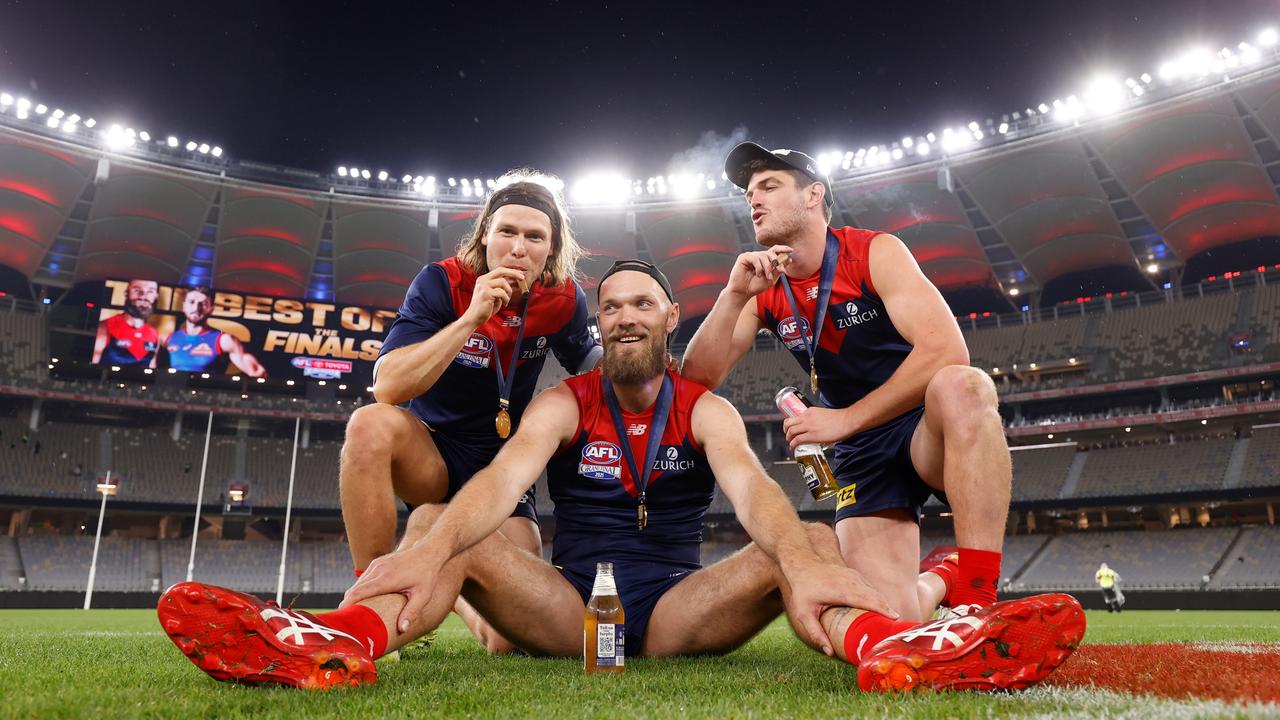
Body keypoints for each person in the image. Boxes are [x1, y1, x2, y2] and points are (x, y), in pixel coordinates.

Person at [157, 261, 1085, 693]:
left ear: (671, 315)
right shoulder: (570, 399)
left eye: (643, 303)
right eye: (612, 307)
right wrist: (434, 539)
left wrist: (807, 558)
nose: (627, 317)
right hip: (570, 611)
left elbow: (754, 493)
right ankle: (338, 641)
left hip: (679, 610)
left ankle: (889, 650)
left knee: (791, 541)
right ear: (600, 323)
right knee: (451, 524)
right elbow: (507, 473)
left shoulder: (703, 405)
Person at [680, 143, 1012, 623]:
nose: (754, 200)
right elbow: (695, 379)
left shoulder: (873, 251)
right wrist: (732, 297)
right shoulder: (764, 285)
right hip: (860, 451)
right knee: (893, 620)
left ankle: (978, 602)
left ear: (813, 194)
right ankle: (944, 576)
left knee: (964, 385)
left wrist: (845, 420)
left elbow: (946, 350)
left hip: (922, 428)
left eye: (769, 186)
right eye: (750, 193)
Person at [340, 170, 601, 653]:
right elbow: (388, 388)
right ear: (485, 235)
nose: (519, 247)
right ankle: (370, 598)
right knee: (369, 425)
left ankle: (447, 579)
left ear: (552, 249)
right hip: (432, 456)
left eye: (534, 237)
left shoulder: (563, 299)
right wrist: (471, 319)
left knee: (507, 641)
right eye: (507, 232)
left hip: (500, 471)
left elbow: (596, 370)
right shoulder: (443, 282)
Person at [160, 286, 267, 377]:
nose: (197, 307)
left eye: (203, 304)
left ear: (211, 309)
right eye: (192, 302)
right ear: (184, 306)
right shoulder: (168, 339)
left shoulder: (223, 340)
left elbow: (258, 372)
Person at [92, 278, 159, 367]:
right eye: (137, 290)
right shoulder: (105, 327)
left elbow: (152, 367)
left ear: (156, 296)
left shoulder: (154, 334)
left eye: (150, 291)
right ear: (126, 293)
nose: (143, 296)